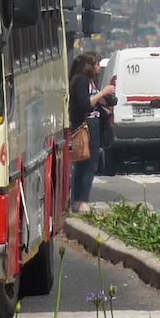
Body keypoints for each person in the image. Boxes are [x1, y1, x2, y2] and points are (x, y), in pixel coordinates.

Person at [68, 52, 117, 213]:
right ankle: (82, 201)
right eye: (96, 64)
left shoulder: (88, 81)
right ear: (89, 65)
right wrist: (102, 92)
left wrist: (105, 97)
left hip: (92, 124)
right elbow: (84, 104)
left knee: (84, 163)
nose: (99, 67)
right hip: (88, 125)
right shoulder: (82, 80)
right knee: (89, 163)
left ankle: (78, 200)